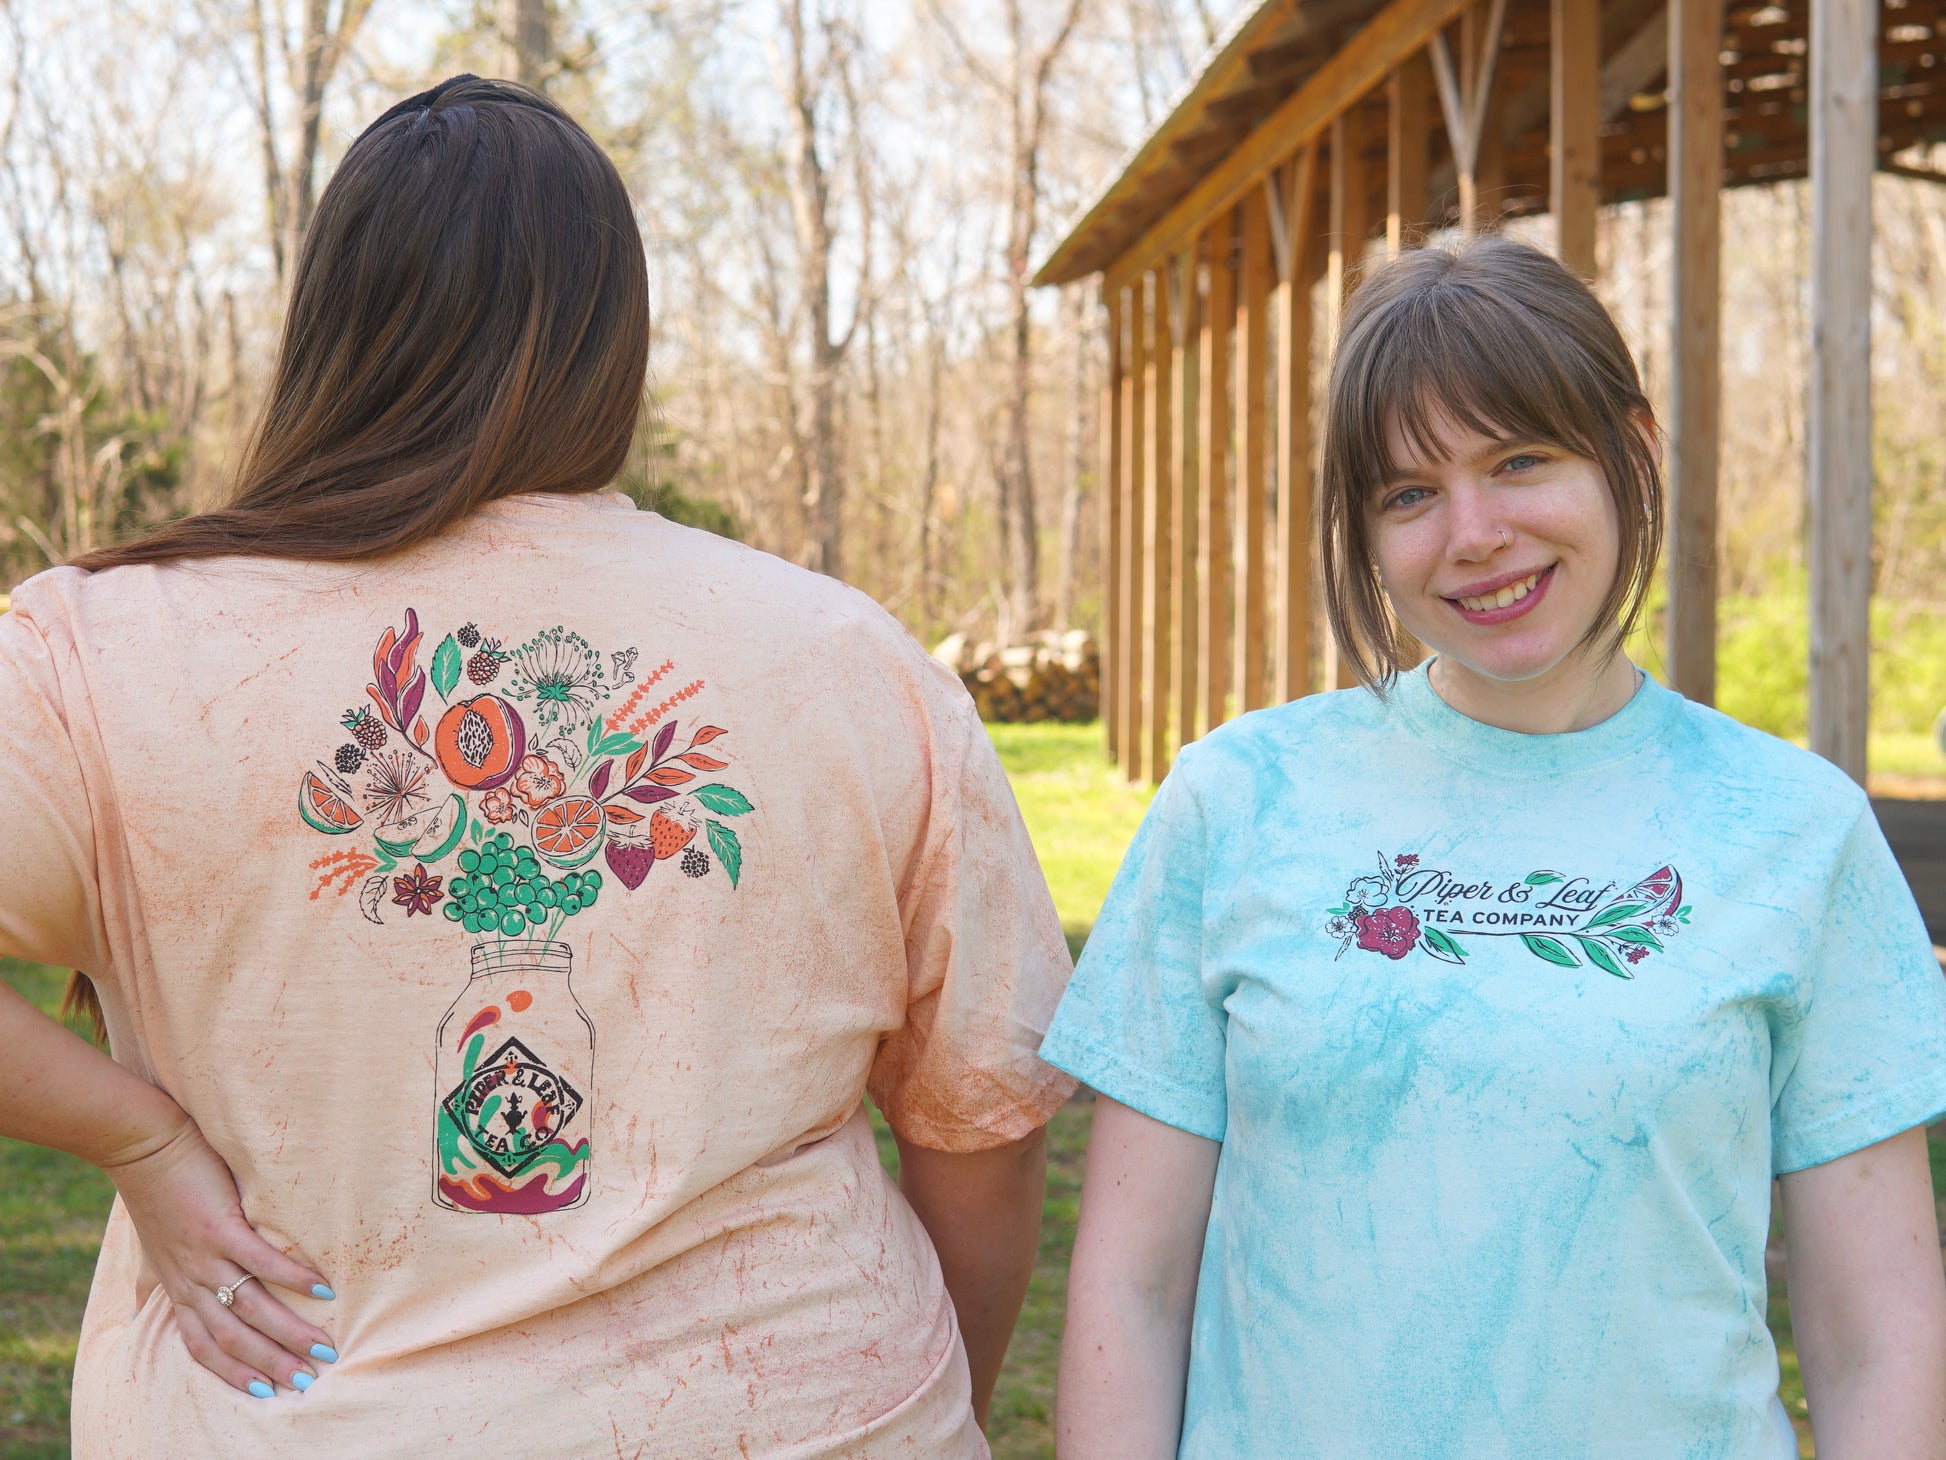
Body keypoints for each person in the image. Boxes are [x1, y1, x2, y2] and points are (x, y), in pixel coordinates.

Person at [0, 76, 1074, 1457]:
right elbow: (978, 1126)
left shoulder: (101, 647)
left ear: (328, 328)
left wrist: (138, 1144)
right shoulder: (848, 659)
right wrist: (931, 1399)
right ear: (610, 338)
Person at [1044, 236, 1946, 1459]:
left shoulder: (1795, 826)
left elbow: (1873, 1328)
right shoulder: (1237, 799)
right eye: (1407, 492)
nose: (1471, 532)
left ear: (1629, 448)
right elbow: (1128, 1292)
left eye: (1518, 460)